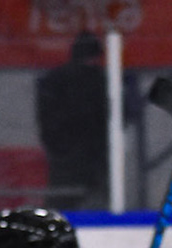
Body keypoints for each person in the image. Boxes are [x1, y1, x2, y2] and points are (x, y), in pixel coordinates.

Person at [36, 33, 110, 208]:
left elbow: (46, 119)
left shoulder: (54, 79)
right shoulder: (100, 80)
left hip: (64, 157)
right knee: (96, 204)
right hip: (92, 155)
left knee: (62, 201)